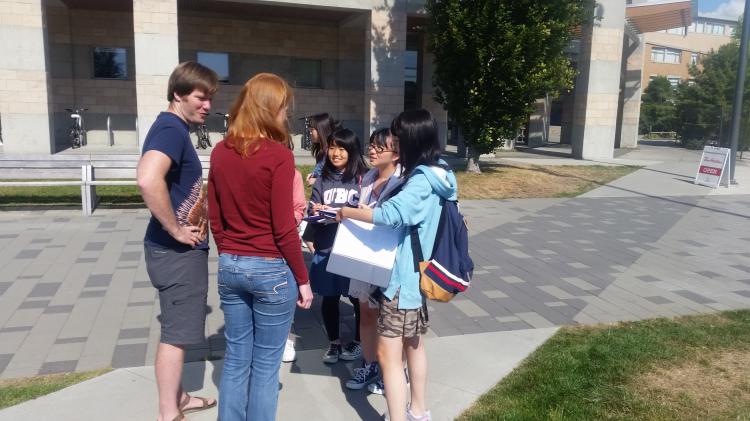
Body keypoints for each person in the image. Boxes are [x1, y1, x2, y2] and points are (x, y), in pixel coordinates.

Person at [338, 109, 457, 421]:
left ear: (411, 139)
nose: (393, 143)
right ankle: (418, 411)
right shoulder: (442, 172)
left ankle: (400, 417)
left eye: (397, 137)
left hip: (402, 280)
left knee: (388, 355)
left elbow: (389, 215)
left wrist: (347, 212)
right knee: (414, 345)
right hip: (418, 274)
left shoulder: (420, 181)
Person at [207, 72, 314, 421]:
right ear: (269, 109)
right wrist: (303, 279)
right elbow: (284, 228)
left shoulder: (220, 152)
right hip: (271, 268)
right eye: (283, 107)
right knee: (267, 365)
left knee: (236, 358)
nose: (286, 114)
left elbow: (215, 218)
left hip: (231, 264)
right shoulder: (279, 156)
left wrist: (229, 254)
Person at [136, 61, 219, 421]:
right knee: (176, 335)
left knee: (176, 328)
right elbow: (147, 178)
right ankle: (169, 412)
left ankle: (179, 397)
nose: (207, 106)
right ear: (178, 95)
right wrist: (175, 229)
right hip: (176, 252)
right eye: (200, 98)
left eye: (210, 98)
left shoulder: (172, 128)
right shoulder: (171, 129)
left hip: (173, 252)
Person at [345, 128, 402, 391]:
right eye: (371, 145)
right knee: (366, 313)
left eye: (380, 147)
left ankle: (395, 370)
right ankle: (370, 365)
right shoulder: (368, 177)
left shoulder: (404, 181)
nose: (372, 150)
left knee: (391, 319)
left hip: (390, 258)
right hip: (365, 254)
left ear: (396, 153)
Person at [308, 128, 368, 364]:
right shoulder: (322, 180)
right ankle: (334, 343)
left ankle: (359, 340)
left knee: (357, 298)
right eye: (332, 147)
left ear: (352, 151)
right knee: (329, 297)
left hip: (353, 250)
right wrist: (316, 211)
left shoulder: (363, 179)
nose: (336, 153)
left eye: (342, 148)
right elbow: (313, 208)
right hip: (327, 247)